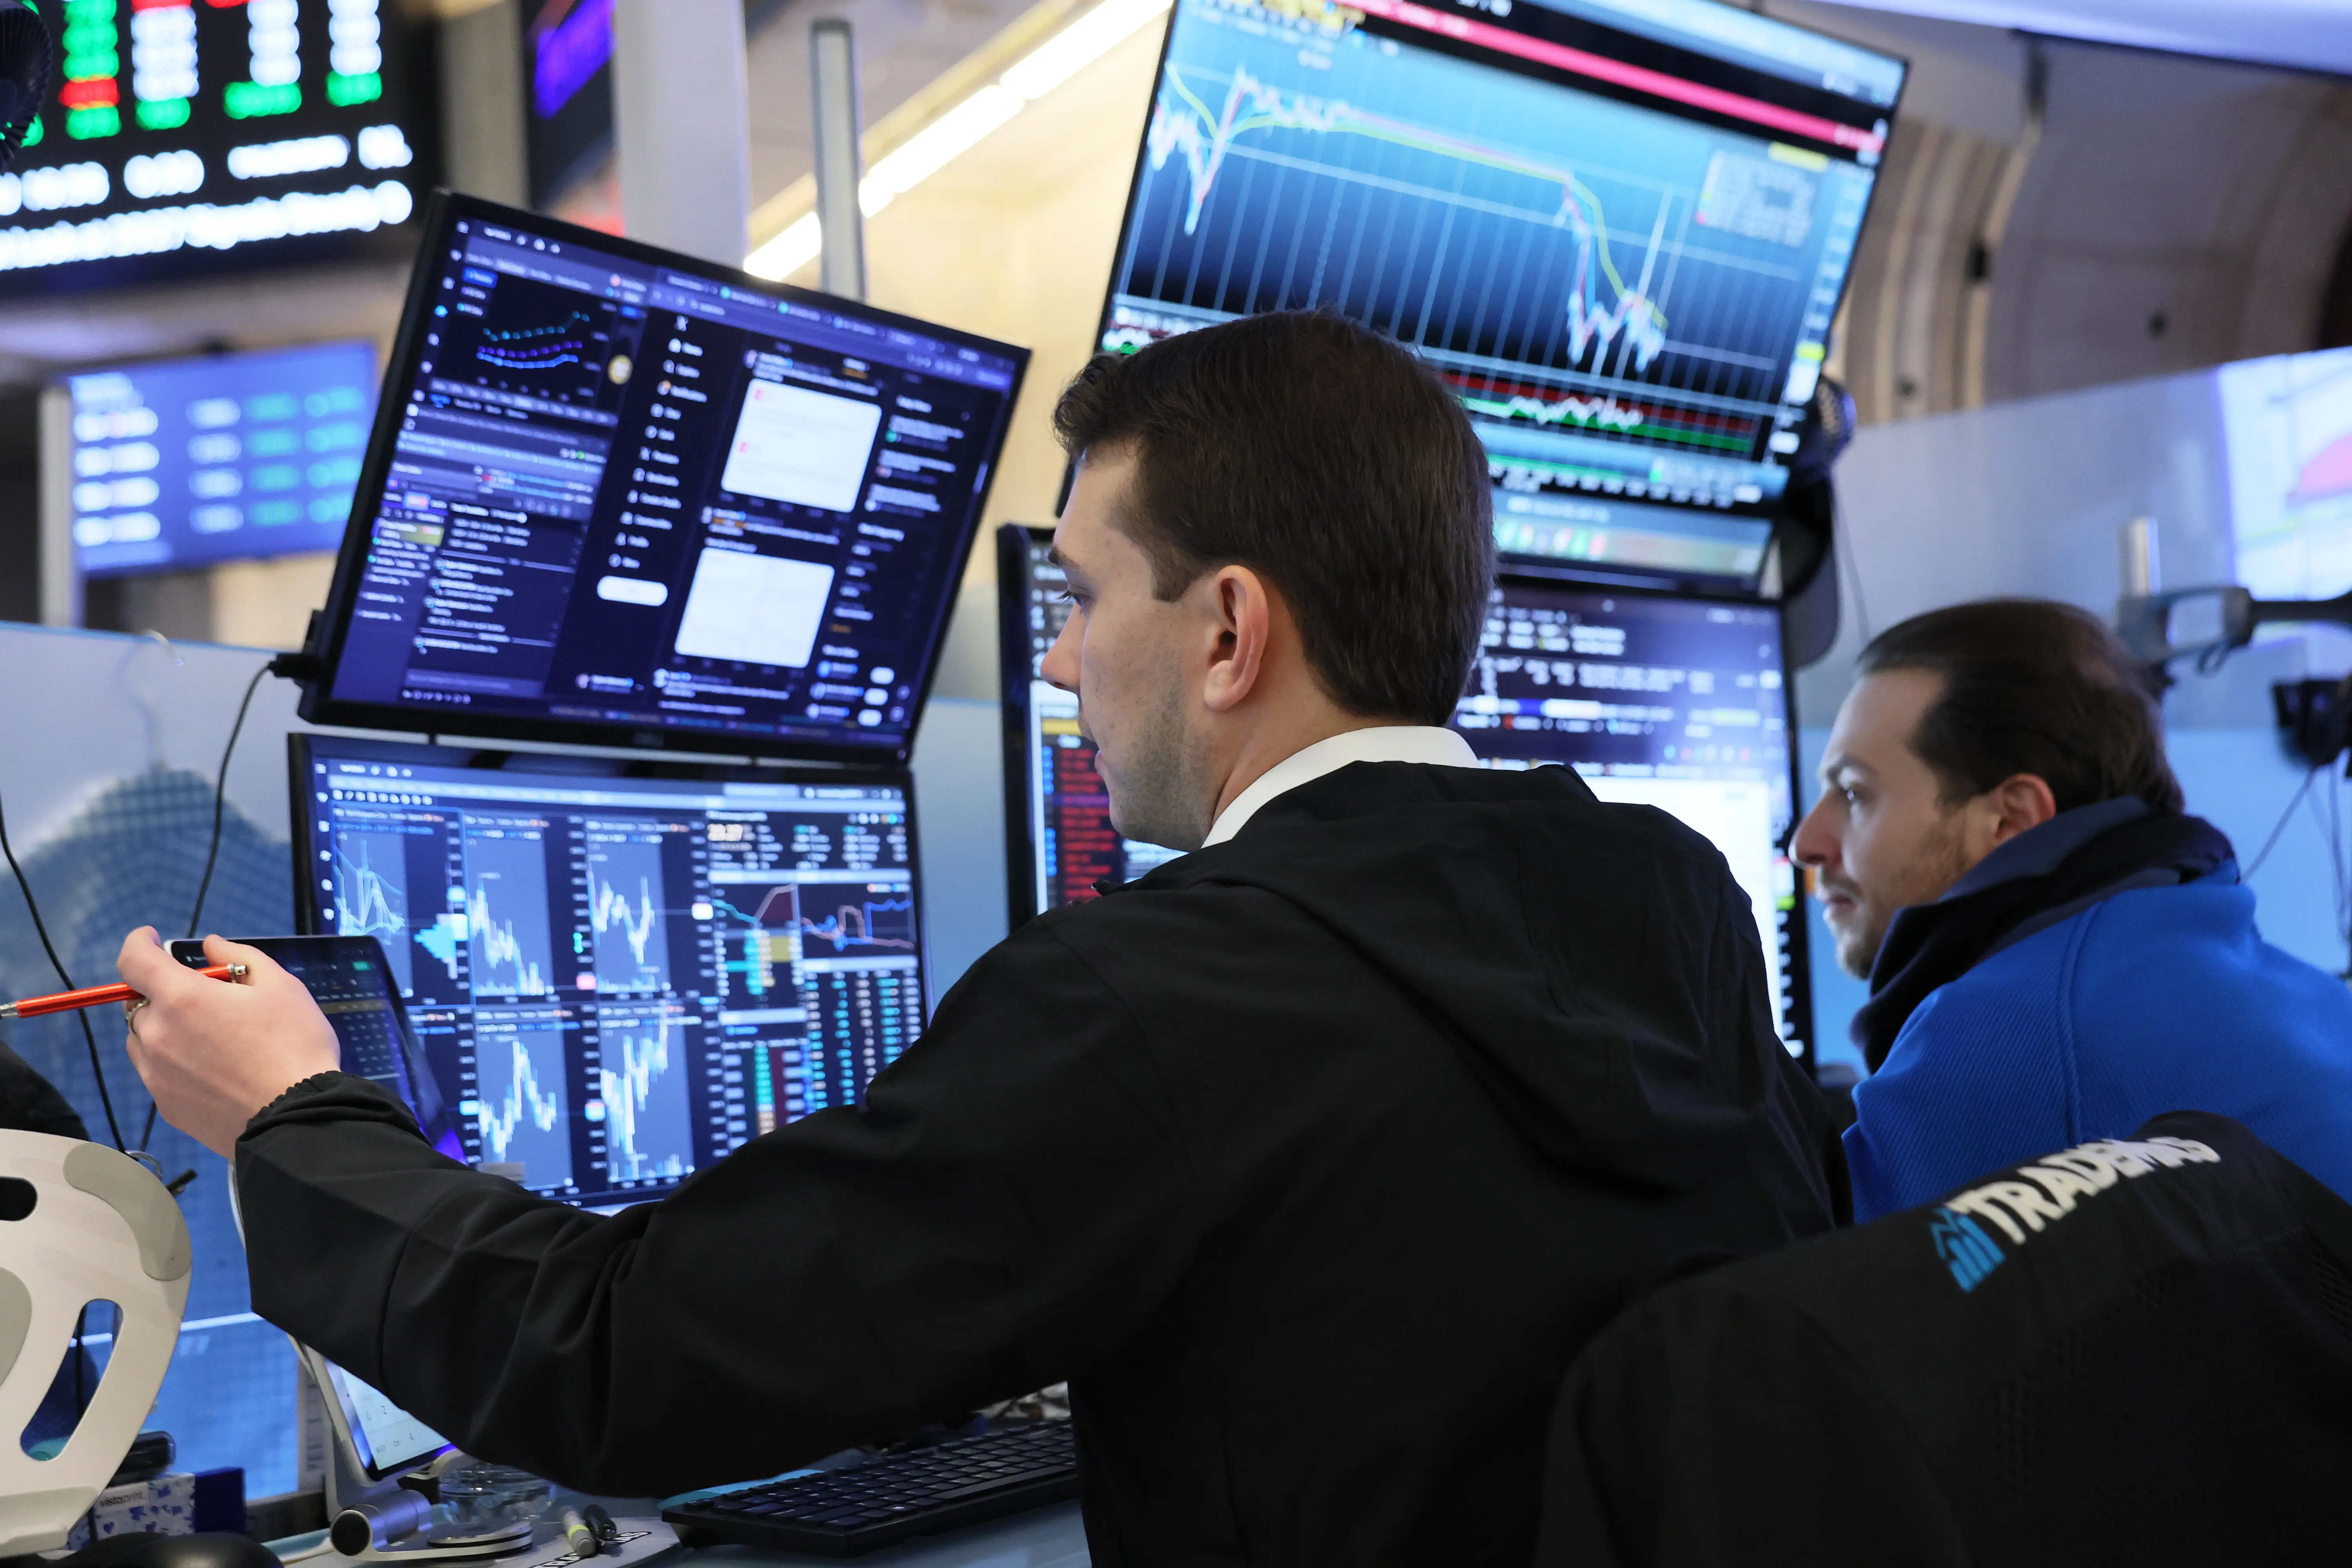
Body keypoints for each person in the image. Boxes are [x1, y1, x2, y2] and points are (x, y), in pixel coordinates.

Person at [116, 311, 1837, 1565]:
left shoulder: (1171, 996)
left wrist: (298, 1117)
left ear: (1231, 628)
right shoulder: (1669, 905)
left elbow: (619, 1364)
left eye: (1086, 598)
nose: (1066, 662)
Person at [1791, 597, 2352, 1220]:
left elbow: (1828, 1301)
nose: (1805, 844)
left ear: (2011, 819)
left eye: (1852, 793)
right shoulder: (2276, 980)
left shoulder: (2010, 1031)